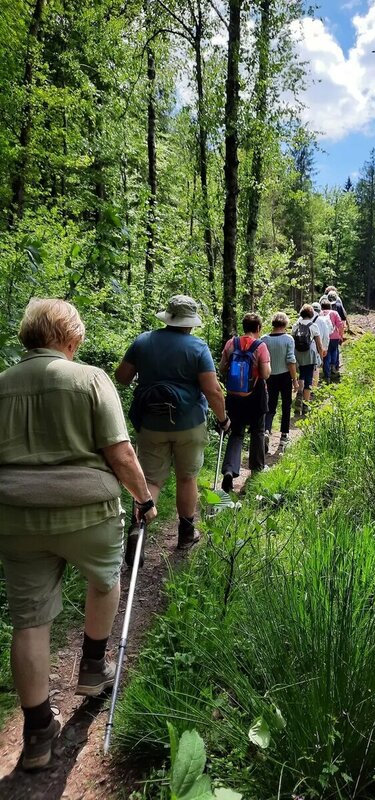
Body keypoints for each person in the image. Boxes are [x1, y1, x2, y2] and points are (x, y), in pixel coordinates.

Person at [0, 298, 157, 772]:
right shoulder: (90, 379)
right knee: (104, 580)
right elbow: (121, 452)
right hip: (88, 510)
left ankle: (36, 731)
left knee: (29, 619)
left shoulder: (2, 386)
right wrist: (145, 499)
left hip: (17, 516)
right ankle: (92, 668)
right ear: (69, 338)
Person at [115, 294, 229, 563]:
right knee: (187, 478)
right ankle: (186, 535)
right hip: (189, 423)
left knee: (151, 480)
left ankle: (138, 530)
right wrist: (223, 418)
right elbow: (212, 390)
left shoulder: (143, 341)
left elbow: (122, 377)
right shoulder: (197, 348)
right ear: (191, 322)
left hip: (151, 423)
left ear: (168, 317)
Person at [220, 313, 271, 491]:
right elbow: (265, 374)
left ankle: (229, 470)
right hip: (255, 395)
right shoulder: (260, 346)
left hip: (234, 396)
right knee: (257, 430)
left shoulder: (231, 343)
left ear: (243, 327)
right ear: (258, 328)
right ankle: (256, 469)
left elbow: (222, 367)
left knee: (236, 433)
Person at [262, 312, 298, 453]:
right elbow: (290, 360)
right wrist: (294, 380)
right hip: (284, 377)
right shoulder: (288, 339)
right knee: (286, 405)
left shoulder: (264, 339)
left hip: (269, 376)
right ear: (285, 324)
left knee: (270, 406)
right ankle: (284, 436)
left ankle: (266, 431)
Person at [292, 303, 324, 415]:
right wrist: (321, 357)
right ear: (311, 314)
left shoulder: (295, 325)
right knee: (309, 378)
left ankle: (299, 394)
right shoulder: (313, 326)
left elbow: (292, 341)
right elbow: (319, 344)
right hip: (309, 354)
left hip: (298, 354)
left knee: (301, 375)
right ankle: (306, 405)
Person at [320, 297, 344, 382]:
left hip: (323, 338)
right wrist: (341, 335)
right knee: (334, 350)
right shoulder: (334, 313)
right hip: (334, 337)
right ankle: (333, 366)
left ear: (321, 307)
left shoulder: (319, 314)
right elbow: (340, 325)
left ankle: (327, 376)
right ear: (330, 306)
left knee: (325, 356)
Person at [311, 301, 333, 391]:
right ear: (320, 310)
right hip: (316, 348)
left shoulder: (301, 318)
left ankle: (303, 389)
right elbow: (326, 336)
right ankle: (313, 389)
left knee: (304, 369)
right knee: (315, 369)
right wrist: (325, 349)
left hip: (302, 348)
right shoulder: (322, 320)